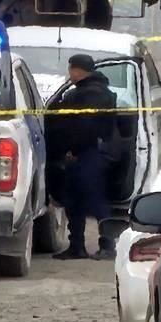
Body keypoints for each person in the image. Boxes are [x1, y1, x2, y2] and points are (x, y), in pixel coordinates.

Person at [50, 54, 118, 260]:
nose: (69, 74)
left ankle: (107, 245)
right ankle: (77, 246)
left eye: (71, 69)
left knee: (94, 199)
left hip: (88, 153)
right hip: (89, 152)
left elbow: (85, 127)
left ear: (78, 70)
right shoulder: (97, 91)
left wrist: (73, 150)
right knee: (75, 200)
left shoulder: (89, 94)